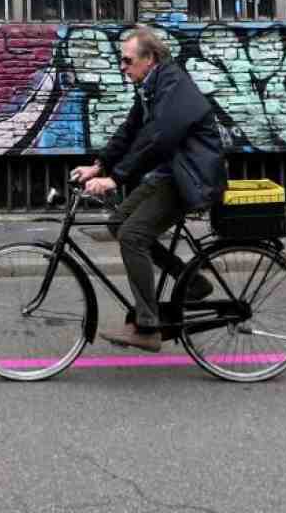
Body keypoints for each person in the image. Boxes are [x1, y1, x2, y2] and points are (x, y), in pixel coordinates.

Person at [69, 25, 228, 352]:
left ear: (150, 59)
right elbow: (131, 131)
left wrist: (116, 178)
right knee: (118, 223)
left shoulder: (173, 86)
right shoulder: (151, 87)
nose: (122, 67)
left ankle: (147, 325)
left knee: (132, 236)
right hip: (173, 172)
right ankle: (192, 281)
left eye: (127, 61)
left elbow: (158, 138)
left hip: (192, 177)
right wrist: (99, 166)